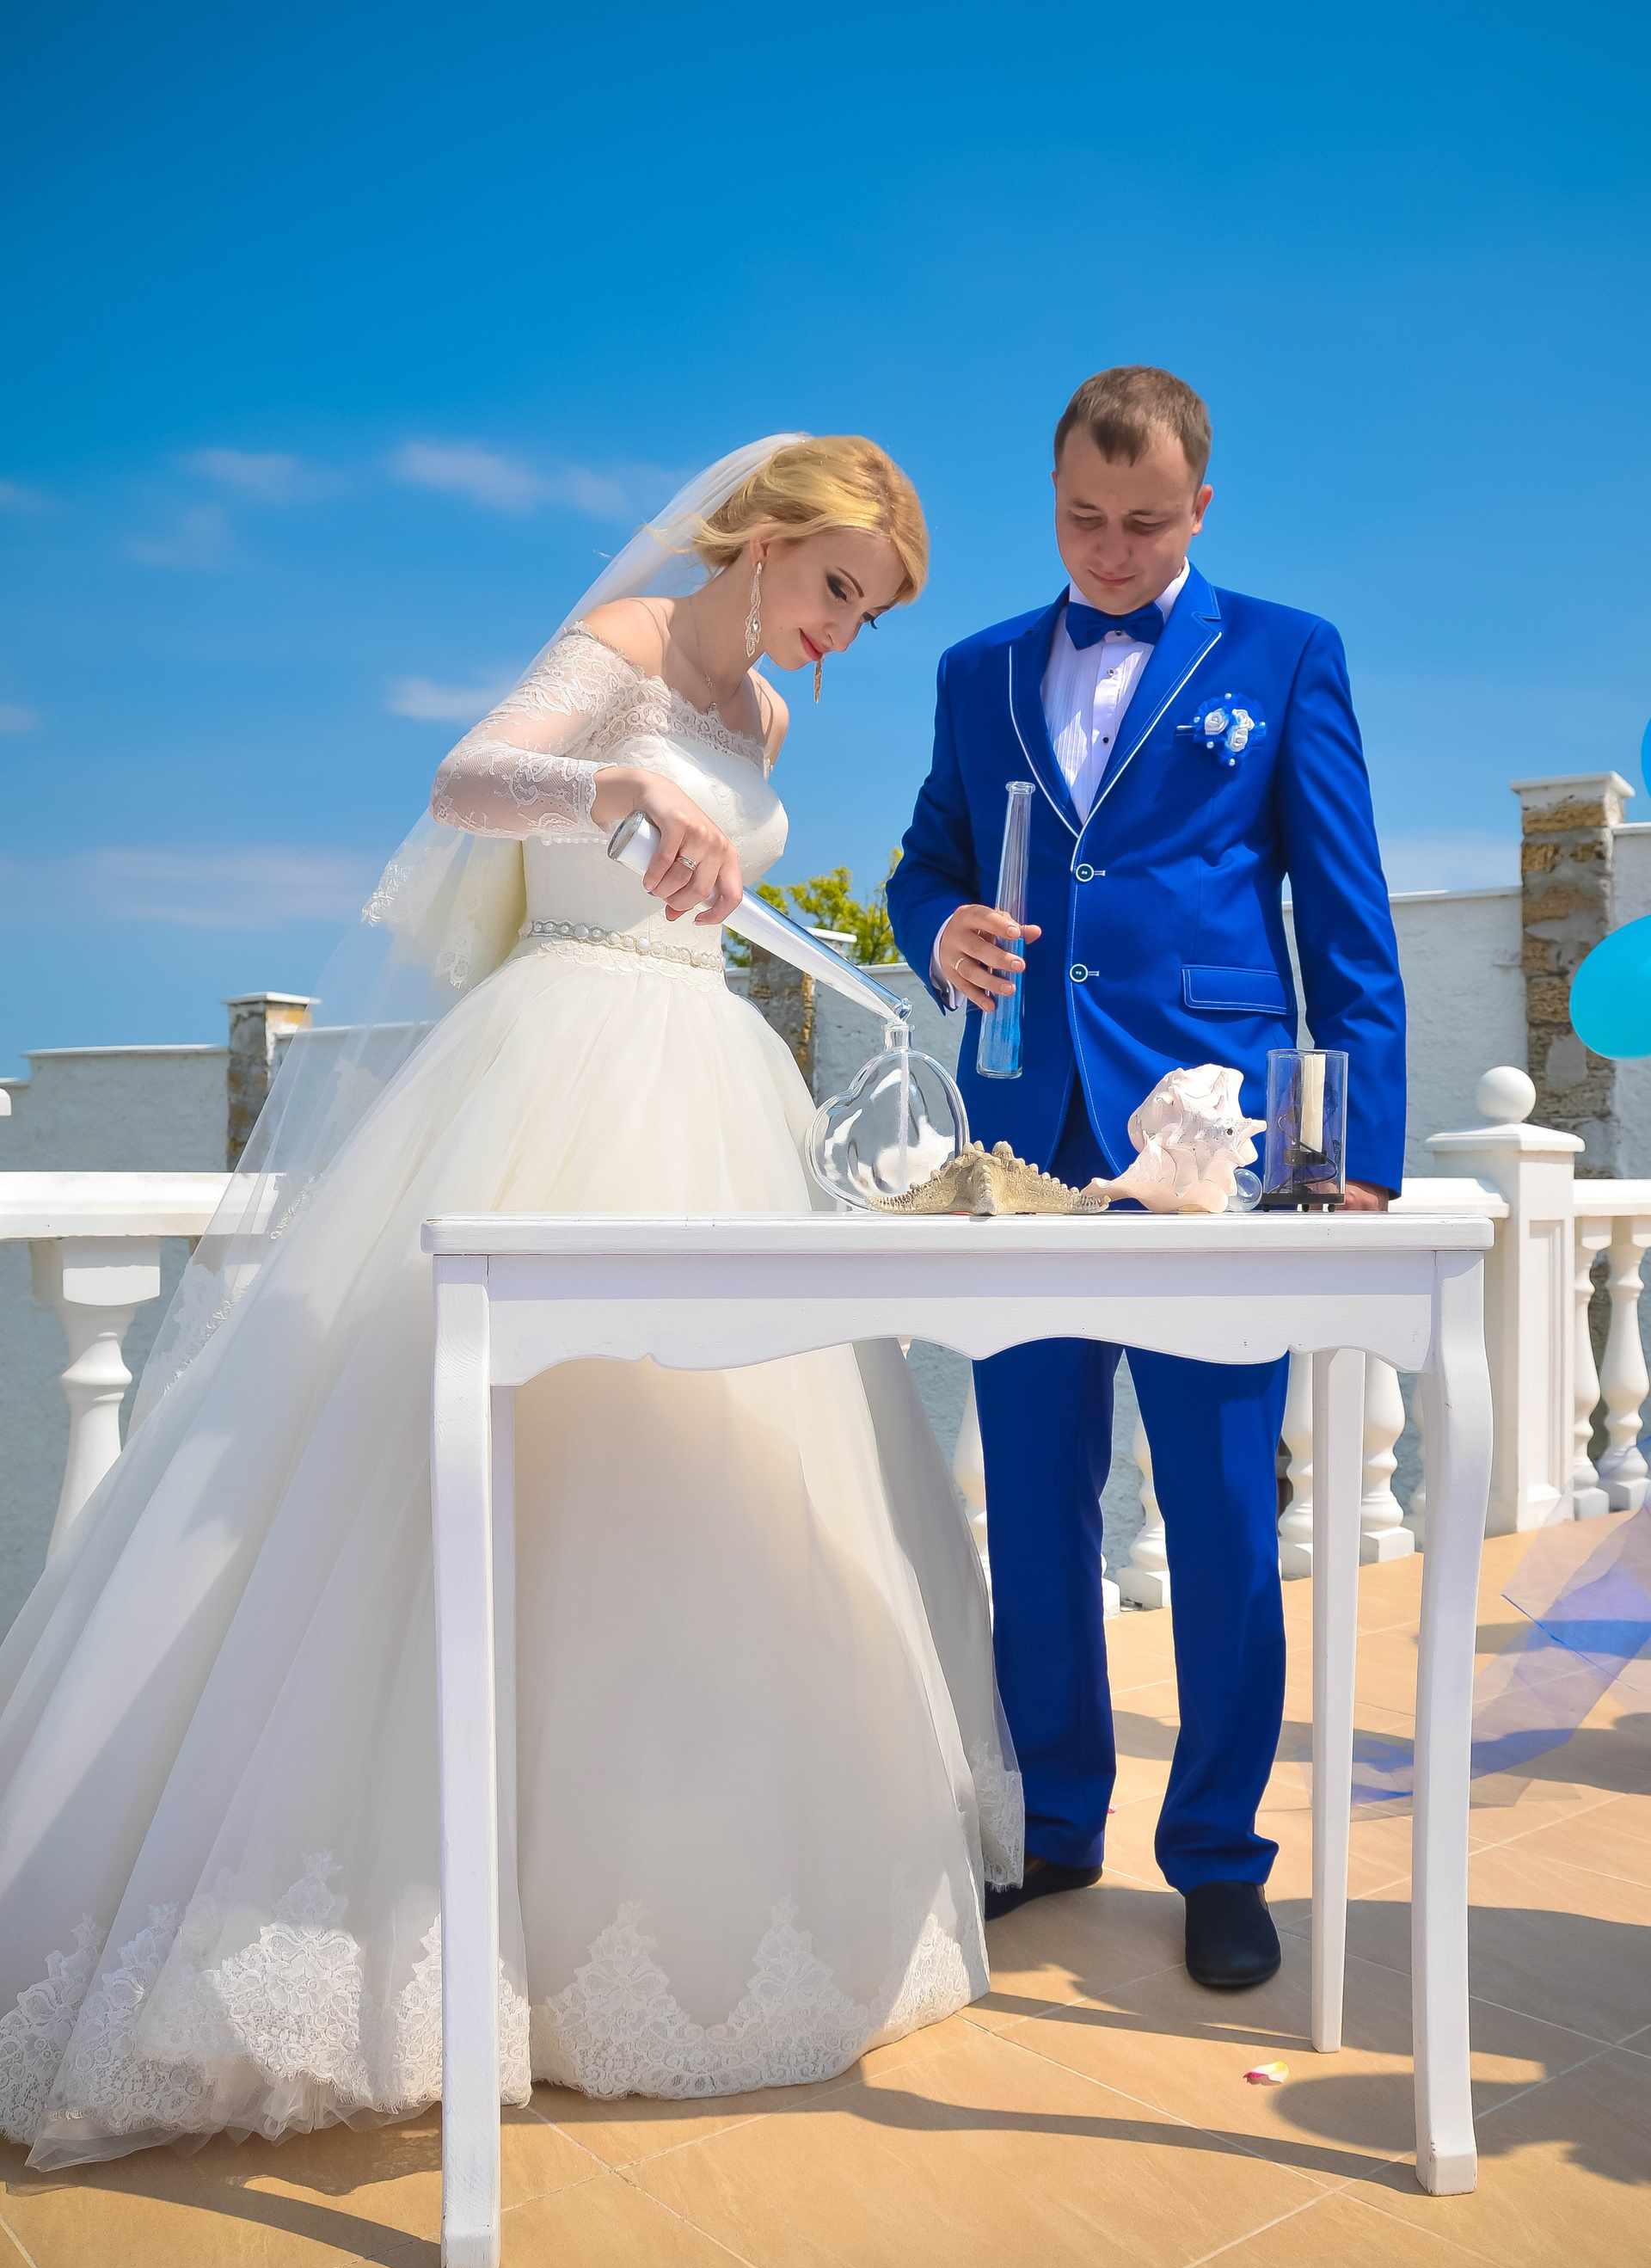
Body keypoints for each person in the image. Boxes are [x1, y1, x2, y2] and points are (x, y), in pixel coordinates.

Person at [0, 436, 1022, 2169]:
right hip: (555, 1072)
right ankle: (423, 1938)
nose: (844, 633)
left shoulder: (768, 721)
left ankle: (639, 1918)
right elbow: (468, 779)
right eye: (839, 588)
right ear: (766, 540)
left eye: (872, 612)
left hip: (714, 1089)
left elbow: (713, 901)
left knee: (694, 1488)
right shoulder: (627, 642)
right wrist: (617, 789)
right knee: (493, 1470)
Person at [887, 368, 1404, 1988]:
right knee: (1035, 1499)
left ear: (1202, 508)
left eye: (1147, 523)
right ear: (1051, 501)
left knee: (1224, 1510)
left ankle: (1221, 1858)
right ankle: (1054, 1825)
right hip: (1025, 1143)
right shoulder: (978, 672)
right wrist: (938, 932)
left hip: (1213, 1145)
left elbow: (1346, 916)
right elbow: (924, 863)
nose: (1111, 552)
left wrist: (1355, 1158)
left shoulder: (1287, 653)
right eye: (1082, 521)